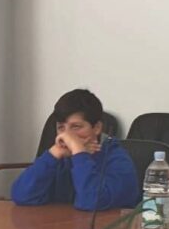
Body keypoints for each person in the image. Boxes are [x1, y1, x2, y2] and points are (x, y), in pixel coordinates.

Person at [10, 88, 139, 210]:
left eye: (76, 127)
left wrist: (79, 152)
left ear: (97, 128)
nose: (67, 135)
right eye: (61, 128)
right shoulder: (59, 156)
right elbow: (22, 196)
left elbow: (91, 202)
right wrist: (53, 153)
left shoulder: (117, 159)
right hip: (60, 223)